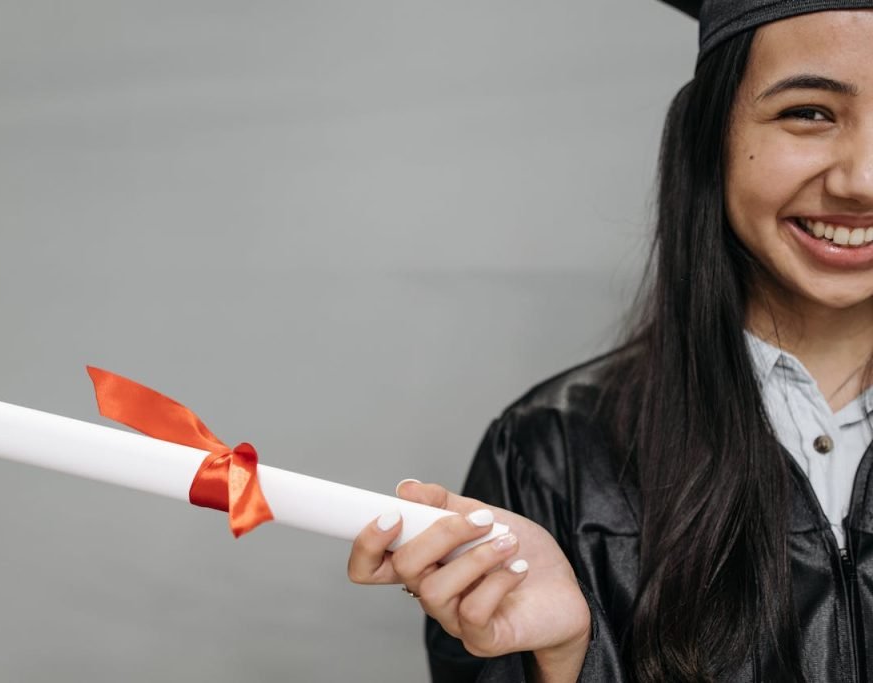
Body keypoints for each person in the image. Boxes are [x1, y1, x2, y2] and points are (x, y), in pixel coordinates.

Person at [348, 2, 873, 681]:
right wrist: (569, 660)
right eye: (809, 112)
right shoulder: (553, 458)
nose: (861, 180)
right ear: (711, 134)